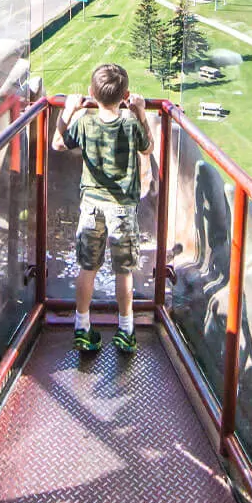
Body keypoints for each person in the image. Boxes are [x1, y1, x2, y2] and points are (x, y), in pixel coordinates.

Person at [53, 62, 153, 354]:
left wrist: (69, 110)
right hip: (122, 208)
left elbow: (57, 143)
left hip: (92, 207)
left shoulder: (84, 122)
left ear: (90, 94)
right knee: (123, 272)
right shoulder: (131, 124)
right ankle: (125, 330)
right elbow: (148, 148)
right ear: (127, 95)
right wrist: (141, 112)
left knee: (87, 268)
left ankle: (82, 327)